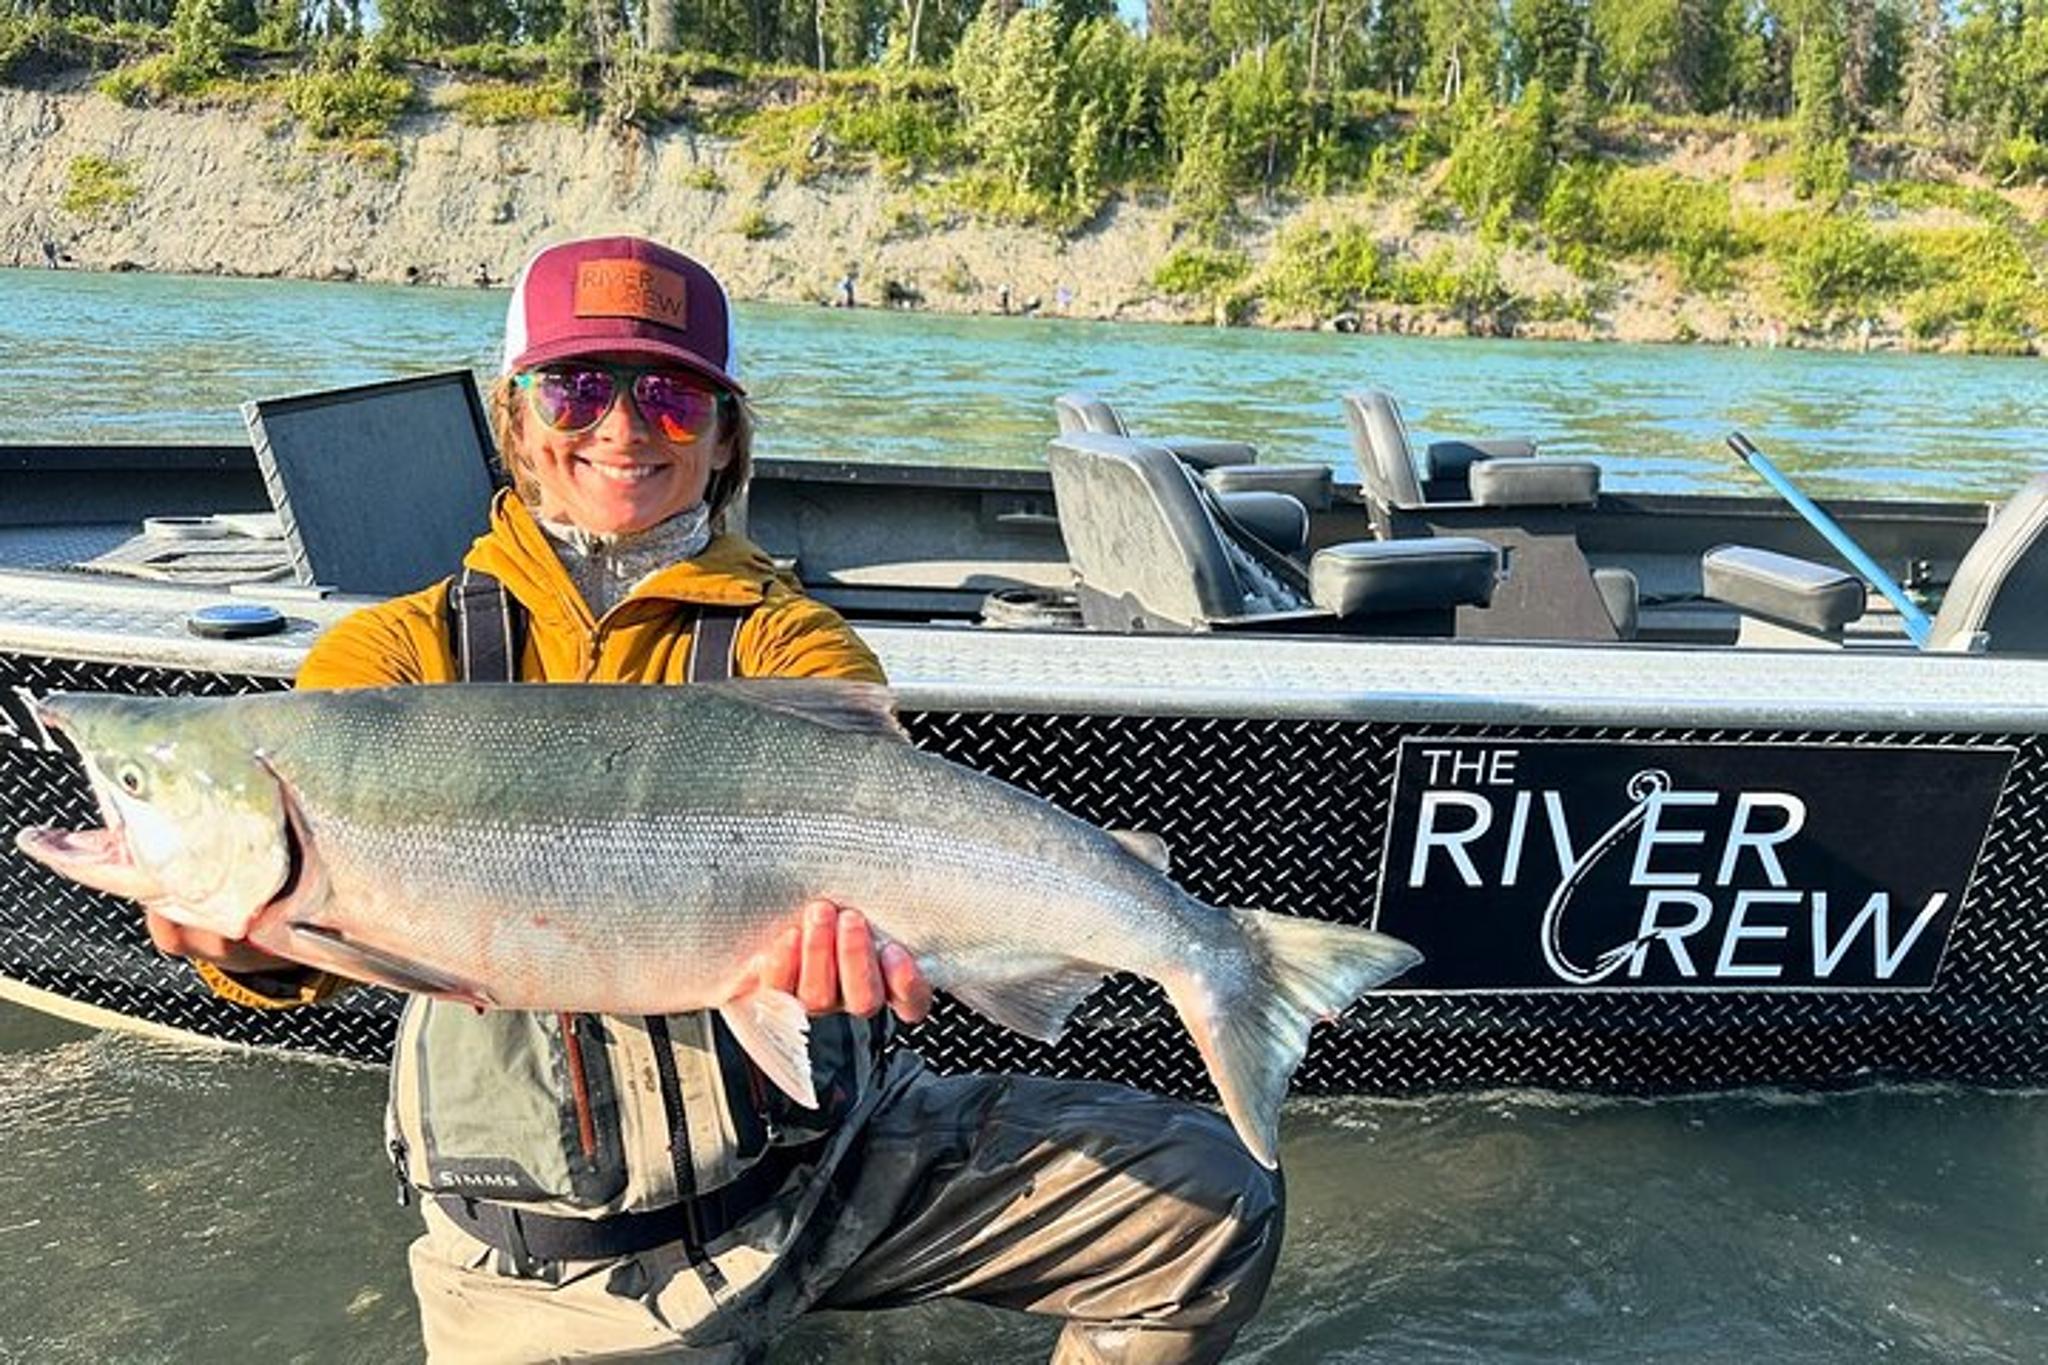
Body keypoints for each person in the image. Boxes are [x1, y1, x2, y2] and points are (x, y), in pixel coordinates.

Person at [148, 234, 1282, 1364]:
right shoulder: (389, 659)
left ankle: (1220, 969)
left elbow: (872, 883)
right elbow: (293, 935)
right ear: (516, 421)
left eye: (674, 399)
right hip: (551, 1262)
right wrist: (240, 944)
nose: (624, 427)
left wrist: (879, 978)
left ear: (727, 433)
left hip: (818, 1180)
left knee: (1209, 1205)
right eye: (577, 387)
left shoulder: (793, 642)